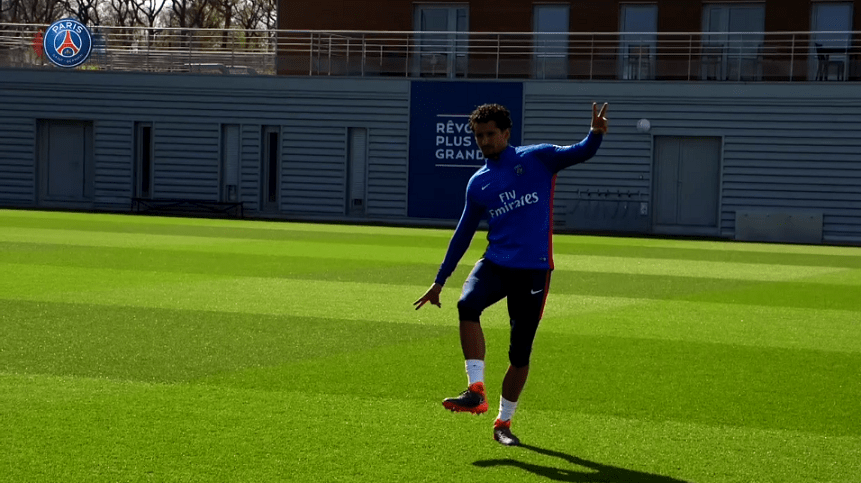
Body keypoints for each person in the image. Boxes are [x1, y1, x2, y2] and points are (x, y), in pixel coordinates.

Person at [414, 102, 608, 446]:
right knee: (467, 304)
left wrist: (594, 133)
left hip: (533, 270)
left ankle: (503, 423)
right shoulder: (478, 183)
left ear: (506, 133)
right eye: (479, 136)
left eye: (490, 134)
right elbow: (463, 233)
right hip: (496, 262)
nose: (485, 141)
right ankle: (476, 390)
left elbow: (581, 152)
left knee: (519, 355)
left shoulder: (539, 158)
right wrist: (440, 280)